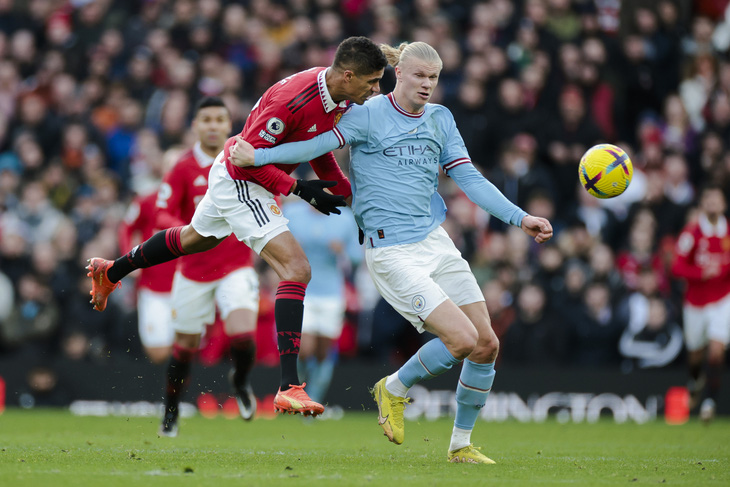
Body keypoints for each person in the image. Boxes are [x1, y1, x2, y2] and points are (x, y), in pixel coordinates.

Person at [228, 41, 553, 463]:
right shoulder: (366, 113)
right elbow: (315, 146)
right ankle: (394, 387)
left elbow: (470, 179)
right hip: (391, 250)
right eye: (419, 76)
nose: (427, 85)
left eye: (433, 78)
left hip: (435, 242)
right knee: (461, 339)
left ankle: (460, 445)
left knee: (486, 344)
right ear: (399, 73)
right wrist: (261, 154)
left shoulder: (441, 118)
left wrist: (519, 217)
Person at [85, 36, 389, 417]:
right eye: (372, 82)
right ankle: (289, 386)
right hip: (243, 181)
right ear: (348, 75)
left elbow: (317, 144)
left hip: (240, 175)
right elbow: (244, 162)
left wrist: (346, 195)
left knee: (194, 239)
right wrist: (296, 188)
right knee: (297, 269)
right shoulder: (291, 101)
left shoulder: (335, 94)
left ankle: (111, 270)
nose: (376, 90)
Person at [153, 97, 259, 437]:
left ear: (229, 125)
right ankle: (171, 409)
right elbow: (160, 213)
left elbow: (267, 196)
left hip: (236, 265)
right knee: (184, 347)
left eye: (219, 119)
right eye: (206, 120)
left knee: (242, 334)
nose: (213, 125)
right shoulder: (183, 167)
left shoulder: (243, 159)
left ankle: (240, 382)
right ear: (196, 126)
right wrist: (188, 231)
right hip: (193, 270)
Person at [284, 195, 362, 404]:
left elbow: (357, 257)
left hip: (331, 293)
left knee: (321, 353)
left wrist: (342, 251)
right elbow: (275, 244)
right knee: (303, 348)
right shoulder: (292, 214)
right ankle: (297, 392)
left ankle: (314, 400)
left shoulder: (344, 218)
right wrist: (290, 247)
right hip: (301, 289)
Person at [671, 185, 730, 422]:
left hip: (723, 299)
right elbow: (676, 266)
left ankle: (709, 402)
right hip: (695, 302)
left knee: (716, 350)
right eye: (709, 199)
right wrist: (701, 272)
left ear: (723, 204)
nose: (713, 204)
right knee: (695, 355)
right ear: (703, 204)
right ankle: (695, 380)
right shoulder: (692, 232)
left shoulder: (728, 233)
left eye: (717, 199)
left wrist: (721, 270)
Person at [117, 149, 181, 364]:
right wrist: (131, 262)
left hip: (187, 286)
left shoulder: (199, 204)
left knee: (188, 348)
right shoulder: (146, 201)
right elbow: (126, 227)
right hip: (153, 287)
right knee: (157, 351)